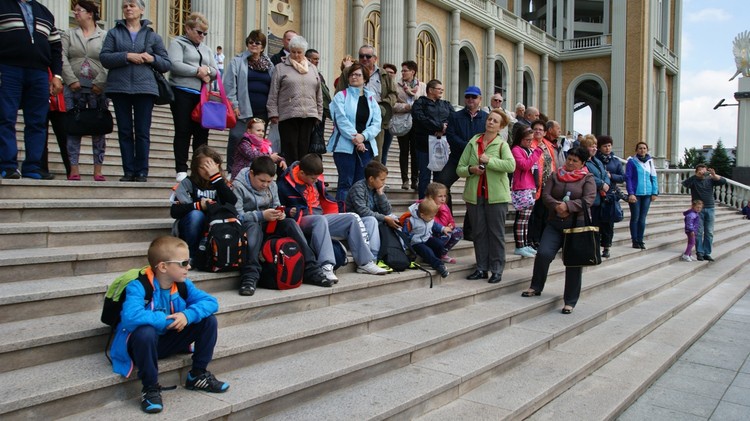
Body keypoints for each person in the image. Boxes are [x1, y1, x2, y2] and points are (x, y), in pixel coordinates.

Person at [110, 236, 228, 414]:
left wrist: (187, 315)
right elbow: (130, 317)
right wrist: (165, 320)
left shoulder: (183, 285)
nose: (189, 267)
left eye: (189, 261)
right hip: (141, 347)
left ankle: (197, 375)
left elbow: (211, 302)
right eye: (183, 262)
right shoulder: (139, 286)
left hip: (166, 342)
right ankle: (150, 388)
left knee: (208, 320)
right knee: (145, 332)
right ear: (163, 267)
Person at [277, 154, 388, 281]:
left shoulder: (316, 179)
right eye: (313, 179)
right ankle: (326, 265)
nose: (315, 181)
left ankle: (365, 262)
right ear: (302, 173)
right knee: (320, 220)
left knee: (351, 218)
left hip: (321, 217)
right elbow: (276, 206)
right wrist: (287, 210)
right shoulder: (284, 184)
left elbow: (326, 198)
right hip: (301, 219)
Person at [232, 156, 330, 295]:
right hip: (248, 228)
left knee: (289, 223)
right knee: (253, 227)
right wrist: (261, 215)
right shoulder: (238, 186)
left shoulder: (272, 185)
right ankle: (250, 277)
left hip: (269, 224)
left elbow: (277, 205)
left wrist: (280, 213)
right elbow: (237, 216)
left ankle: (311, 269)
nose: (265, 185)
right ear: (252, 173)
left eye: (269, 181)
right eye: (262, 181)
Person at [100, 0, 171, 182]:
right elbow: (105, 57)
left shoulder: (152, 36)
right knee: (124, 131)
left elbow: (165, 63)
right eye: (125, 6)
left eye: (132, 5)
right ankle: (128, 171)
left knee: (142, 131)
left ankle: (142, 171)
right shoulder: (114, 33)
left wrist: (151, 58)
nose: (128, 8)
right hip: (119, 88)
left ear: (141, 10)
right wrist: (126, 56)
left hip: (145, 88)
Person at [521, 146, 596, 314]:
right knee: (543, 253)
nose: (570, 163)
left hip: (576, 226)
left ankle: (570, 301)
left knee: (573, 263)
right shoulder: (556, 175)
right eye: (569, 159)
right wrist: (558, 206)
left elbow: (589, 199)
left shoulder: (588, 178)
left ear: (582, 163)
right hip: (554, 223)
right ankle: (536, 286)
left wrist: (568, 206)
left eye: (574, 161)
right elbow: (546, 195)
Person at [0, 0, 62, 180]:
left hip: (39, 73)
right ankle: (7, 165)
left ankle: (33, 167)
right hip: (8, 69)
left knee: (37, 121)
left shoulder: (45, 12)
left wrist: (57, 75)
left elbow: (55, 47)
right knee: (5, 117)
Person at [457, 109, 515, 284]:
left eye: (495, 121)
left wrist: (490, 161)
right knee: (479, 233)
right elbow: (460, 168)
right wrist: (471, 169)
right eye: (489, 119)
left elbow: (511, 165)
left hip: (496, 196)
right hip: (475, 195)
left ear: (501, 126)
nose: (490, 122)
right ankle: (481, 267)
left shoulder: (502, 144)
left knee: (496, 234)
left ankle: (496, 269)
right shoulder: (473, 142)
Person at [168, 13, 218, 183]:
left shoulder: (207, 49)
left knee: (201, 134)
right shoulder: (177, 43)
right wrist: (197, 71)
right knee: (183, 130)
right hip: (182, 92)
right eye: (199, 32)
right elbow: (174, 65)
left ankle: (199, 169)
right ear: (188, 29)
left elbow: (215, 70)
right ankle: (181, 168)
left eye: (205, 33)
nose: (202, 36)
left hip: (202, 96)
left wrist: (208, 72)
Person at [61, 0, 108, 181]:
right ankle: (74, 168)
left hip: (98, 88)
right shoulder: (68, 34)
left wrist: (100, 82)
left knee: (98, 128)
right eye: (75, 10)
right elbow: (62, 57)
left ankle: (98, 170)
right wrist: (70, 80)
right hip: (73, 87)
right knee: (73, 127)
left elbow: (108, 60)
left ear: (90, 13)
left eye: (79, 10)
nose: (76, 13)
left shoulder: (104, 36)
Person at [170, 146, 237, 264]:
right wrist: (198, 206)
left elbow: (232, 202)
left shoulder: (221, 182)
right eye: (203, 167)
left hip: (215, 225)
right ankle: (191, 254)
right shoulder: (187, 183)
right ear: (196, 168)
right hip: (191, 224)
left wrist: (216, 177)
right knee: (197, 215)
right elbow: (174, 211)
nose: (207, 171)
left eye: (211, 167)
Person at [327, 62, 381, 202]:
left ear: (365, 79)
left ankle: (358, 215)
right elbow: (340, 119)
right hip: (344, 146)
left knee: (360, 184)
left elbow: (376, 124)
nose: (354, 77)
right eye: (351, 74)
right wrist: (356, 138)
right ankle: (344, 215)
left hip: (366, 147)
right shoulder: (341, 96)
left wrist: (363, 136)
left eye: (358, 75)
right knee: (346, 182)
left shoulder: (371, 100)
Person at [224, 30, 274, 175]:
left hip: (262, 110)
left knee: (258, 142)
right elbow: (229, 84)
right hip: (243, 109)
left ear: (263, 46)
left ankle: (256, 171)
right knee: (236, 138)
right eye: (250, 42)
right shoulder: (238, 61)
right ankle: (231, 170)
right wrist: (234, 104)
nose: (253, 45)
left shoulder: (269, 65)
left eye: (257, 43)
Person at [267, 35, 323, 165]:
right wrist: (273, 112)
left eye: (299, 52)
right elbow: (273, 92)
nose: (296, 55)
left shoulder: (312, 69)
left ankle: (302, 177)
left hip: (308, 114)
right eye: (293, 52)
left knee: (305, 149)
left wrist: (319, 114)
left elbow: (318, 93)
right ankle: (290, 177)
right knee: (290, 149)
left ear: (304, 52)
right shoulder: (280, 68)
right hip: (288, 115)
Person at [336, 45, 398, 160]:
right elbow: (339, 93)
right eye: (361, 56)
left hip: (375, 120)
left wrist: (383, 108)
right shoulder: (348, 73)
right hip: (353, 121)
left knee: (375, 158)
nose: (364, 58)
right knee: (351, 158)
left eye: (368, 56)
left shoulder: (383, 74)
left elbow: (393, 94)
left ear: (375, 58)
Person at [437, 86, 488, 210]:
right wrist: (468, 146)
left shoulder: (486, 118)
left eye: (474, 97)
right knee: (441, 183)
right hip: (457, 158)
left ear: (480, 99)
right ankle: (447, 217)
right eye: (467, 96)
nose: (470, 99)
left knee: (480, 191)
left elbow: (489, 138)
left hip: (479, 160)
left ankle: (471, 226)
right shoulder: (455, 116)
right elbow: (451, 135)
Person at [344, 160, 399, 270]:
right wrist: (384, 218)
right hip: (356, 223)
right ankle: (372, 258)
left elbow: (387, 211)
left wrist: (381, 194)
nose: (384, 182)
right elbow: (363, 211)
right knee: (371, 220)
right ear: (371, 179)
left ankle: (397, 252)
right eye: (382, 179)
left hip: (371, 221)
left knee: (394, 218)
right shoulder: (358, 188)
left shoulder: (376, 189)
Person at [411, 79, 453, 198]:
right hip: (424, 145)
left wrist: (444, 128)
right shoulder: (420, 103)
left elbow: (453, 118)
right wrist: (439, 126)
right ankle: (423, 203)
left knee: (439, 177)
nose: (441, 91)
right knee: (424, 175)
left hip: (441, 144)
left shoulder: (446, 104)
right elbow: (420, 118)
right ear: (430, 90)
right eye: (439, 89)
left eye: (442, 89)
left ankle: (437, 203)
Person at [681, 164, 727, 261]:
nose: (702, 172)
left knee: (709, 232)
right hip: (698, 210)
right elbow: (684, 184)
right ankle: (700, 252)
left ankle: (707, 253)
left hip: (710, 208)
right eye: (700, 170)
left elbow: (723, 181)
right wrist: (696, 176)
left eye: (704, 170)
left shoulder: (710, 180)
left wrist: (714, 175)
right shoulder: (694, 180)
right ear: (697, 171)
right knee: (699, 232)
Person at [510, 127, 543, 258]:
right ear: (520, 139)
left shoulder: (529, 149)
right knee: (521, 219)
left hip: (531, 187)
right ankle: (519, 245)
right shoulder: (516, 150)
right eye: (527, 140)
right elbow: (524, 165)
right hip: (521, 187)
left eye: (531, 140)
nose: (530, 142)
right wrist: (537, 153)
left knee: (527, 219)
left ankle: (525, 244)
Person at [393, 60, 426, 190]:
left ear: (413, 72)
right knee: (403, 151)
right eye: (402, 70)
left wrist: (416, 107)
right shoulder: (397, 86)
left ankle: (415, 180)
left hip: (417, 123)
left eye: (405, 70)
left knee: (415, 152)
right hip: (402, 122)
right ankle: (405, 180)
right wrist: (406, 107)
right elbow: (393, 105)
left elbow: (424, 104)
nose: (403, 73)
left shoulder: (422, 86)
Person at [401, 199, 451, 278]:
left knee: (439, 244)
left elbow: (435, 225)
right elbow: (404, 234)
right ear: (422, 215)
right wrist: (404, 246)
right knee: (427, 251)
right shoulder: (411, 221)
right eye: (431, 217)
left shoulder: (429, 218)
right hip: (416, 242)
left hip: (426, 238)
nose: (432, 218)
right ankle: (439, 266)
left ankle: (435, 259)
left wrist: (443, 228)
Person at [595, 135, 625, 258]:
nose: (607, 148)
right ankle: (595, 246)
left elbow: (622, 177)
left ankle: (606, 247)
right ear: (599, 147)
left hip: (610, 194)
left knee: (608, 224)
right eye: (604, 146)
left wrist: (611, 176)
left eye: (609, 146)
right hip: (597, 193)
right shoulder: (595, 160)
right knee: (596, 221)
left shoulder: (615, 161)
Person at [625, 142, 659, 250]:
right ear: (636, 150)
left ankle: (640, 239)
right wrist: (631, 193)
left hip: (647, 194)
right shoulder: (632, 162)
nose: (642, 150)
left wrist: (654, 192)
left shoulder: (650, 162)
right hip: (636, 194)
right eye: (640, 148)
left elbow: (653, 177)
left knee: (642, 218)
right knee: (635, 217)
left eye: (644, 148)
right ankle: (634, 240)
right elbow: (629, 178)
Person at [580, 135, 610, 254]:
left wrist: (605, 183)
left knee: (600, 225)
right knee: (591, 225)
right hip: (591, 197)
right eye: (592, 147)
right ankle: (591, 249)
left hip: (601, 197)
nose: (595, 149)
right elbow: (588, 175)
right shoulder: (583, 161)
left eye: (595, 147)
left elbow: (605, 174)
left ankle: (597, 248)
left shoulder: (597, 161)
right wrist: (601, 184)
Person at [424, 182, 463, 264]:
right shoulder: (426, 207)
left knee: (458, 232)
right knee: (446, 234)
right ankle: (432, 253)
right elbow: (436, 224)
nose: (443, 199)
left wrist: (451, 226)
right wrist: (442, 210)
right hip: (430, 234)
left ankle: (442, 253)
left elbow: (451, 220)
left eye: (445, 196)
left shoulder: (444, 206)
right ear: (431, 197)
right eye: (440, 196)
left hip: (442, 230)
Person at [305, 48, 332, 158]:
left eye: (318, 59)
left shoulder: (319, 75)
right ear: (307, 59)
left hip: (319, 115)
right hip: (309, 114)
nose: (317, 61)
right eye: (315, 59)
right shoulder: (305, 72)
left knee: (316, 146)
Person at [379, 63, 398, 164]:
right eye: (387, 72)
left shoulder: (396, 87)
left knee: (384, 150)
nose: (389, 74)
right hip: (377, 122)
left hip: (389, 123)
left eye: (391, 72)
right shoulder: (379, 85)